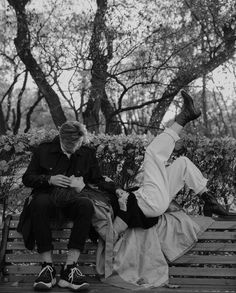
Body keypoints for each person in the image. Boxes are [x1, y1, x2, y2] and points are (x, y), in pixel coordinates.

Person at [112, 90, 236, 239]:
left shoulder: (95, 193)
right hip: (145, 203)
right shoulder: (91, 203)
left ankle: (209, 200)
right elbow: (113, 232)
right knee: (152, 153)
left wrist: (118, 191)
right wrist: (123, 205)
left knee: (182, 163)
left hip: (149, 199)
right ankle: (184, 117)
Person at [18, 121, 119, 291]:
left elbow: (97, 180)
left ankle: (70, 269)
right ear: (61, 137)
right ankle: (47, 268)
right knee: (39, 202)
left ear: (82, 140)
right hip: (47, 198)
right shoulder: (43, 150)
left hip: (74, 199)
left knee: (86, 204)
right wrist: (49, 179)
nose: (73, 147)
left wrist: (115, 189)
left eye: (77, 143)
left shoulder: (87, 153)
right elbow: (27, 178)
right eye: (69, 144)